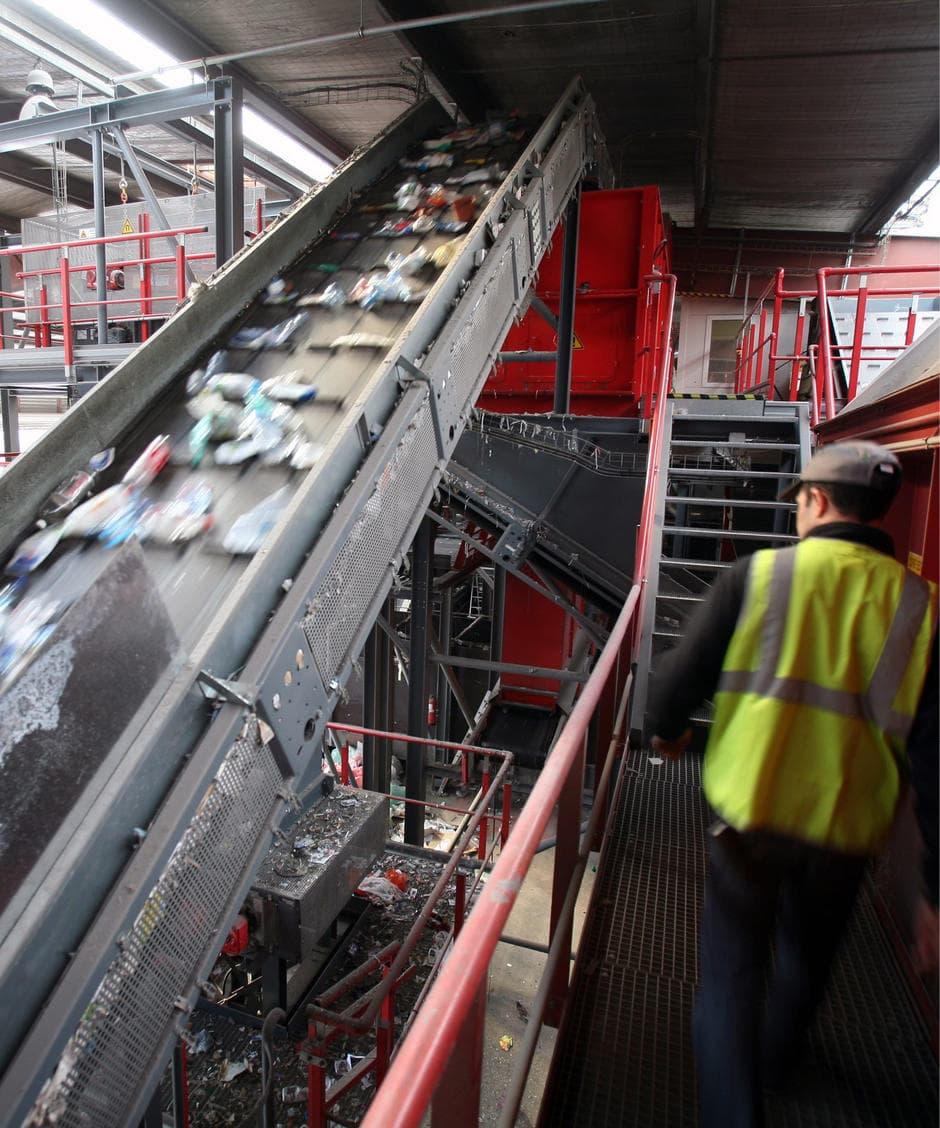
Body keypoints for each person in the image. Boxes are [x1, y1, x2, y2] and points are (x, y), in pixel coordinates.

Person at [646, 439, 938, 1128]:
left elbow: (673, 686)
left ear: (817, 501)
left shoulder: (761, 576)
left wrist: (669, 734)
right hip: (845, 831)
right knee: (808, 961)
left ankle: (734, 1112)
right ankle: (780, 1062)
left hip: (751, 816)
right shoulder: (920, 608)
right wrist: (931, 892)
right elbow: (934, 757)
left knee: (729, 981)